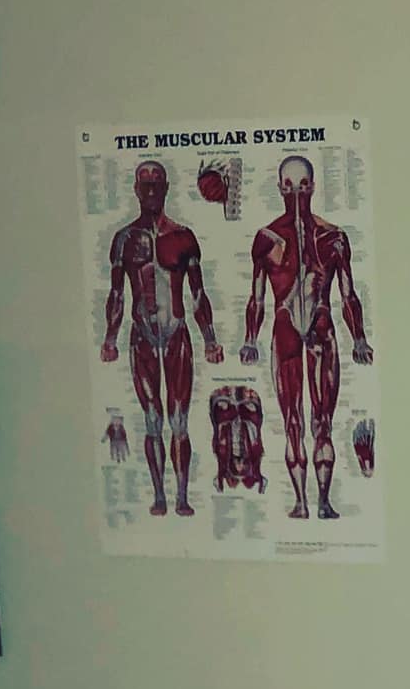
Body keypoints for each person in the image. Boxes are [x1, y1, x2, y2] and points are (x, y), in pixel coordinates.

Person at [239, 155, 373, 519]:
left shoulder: (333, 238)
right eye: (288, 186)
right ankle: (300, 502)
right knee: (293, 423)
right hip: (285, 328)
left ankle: (324, 501)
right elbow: (257, 296)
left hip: (320, 327)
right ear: (279, 188)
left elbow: (347, 293)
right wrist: (250, 339)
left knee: (322, 422)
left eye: (302, 185)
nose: (296, 193)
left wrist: (359, 338)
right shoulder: (266, 239)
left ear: (312, 187)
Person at [100, 159, 223, 516]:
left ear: (167, 188)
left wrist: (210, 339)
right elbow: (117, 294)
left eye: (157, 182)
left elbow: (197, 293)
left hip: (176, 335)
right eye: (145, 183)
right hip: (141, 336)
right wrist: (110, 338)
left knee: (179, 420)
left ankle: (182, 496)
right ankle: (159, 496)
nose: (151, 189)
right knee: (152, 418)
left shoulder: (183, 237)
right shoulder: (124, 240)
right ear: (136, 190)